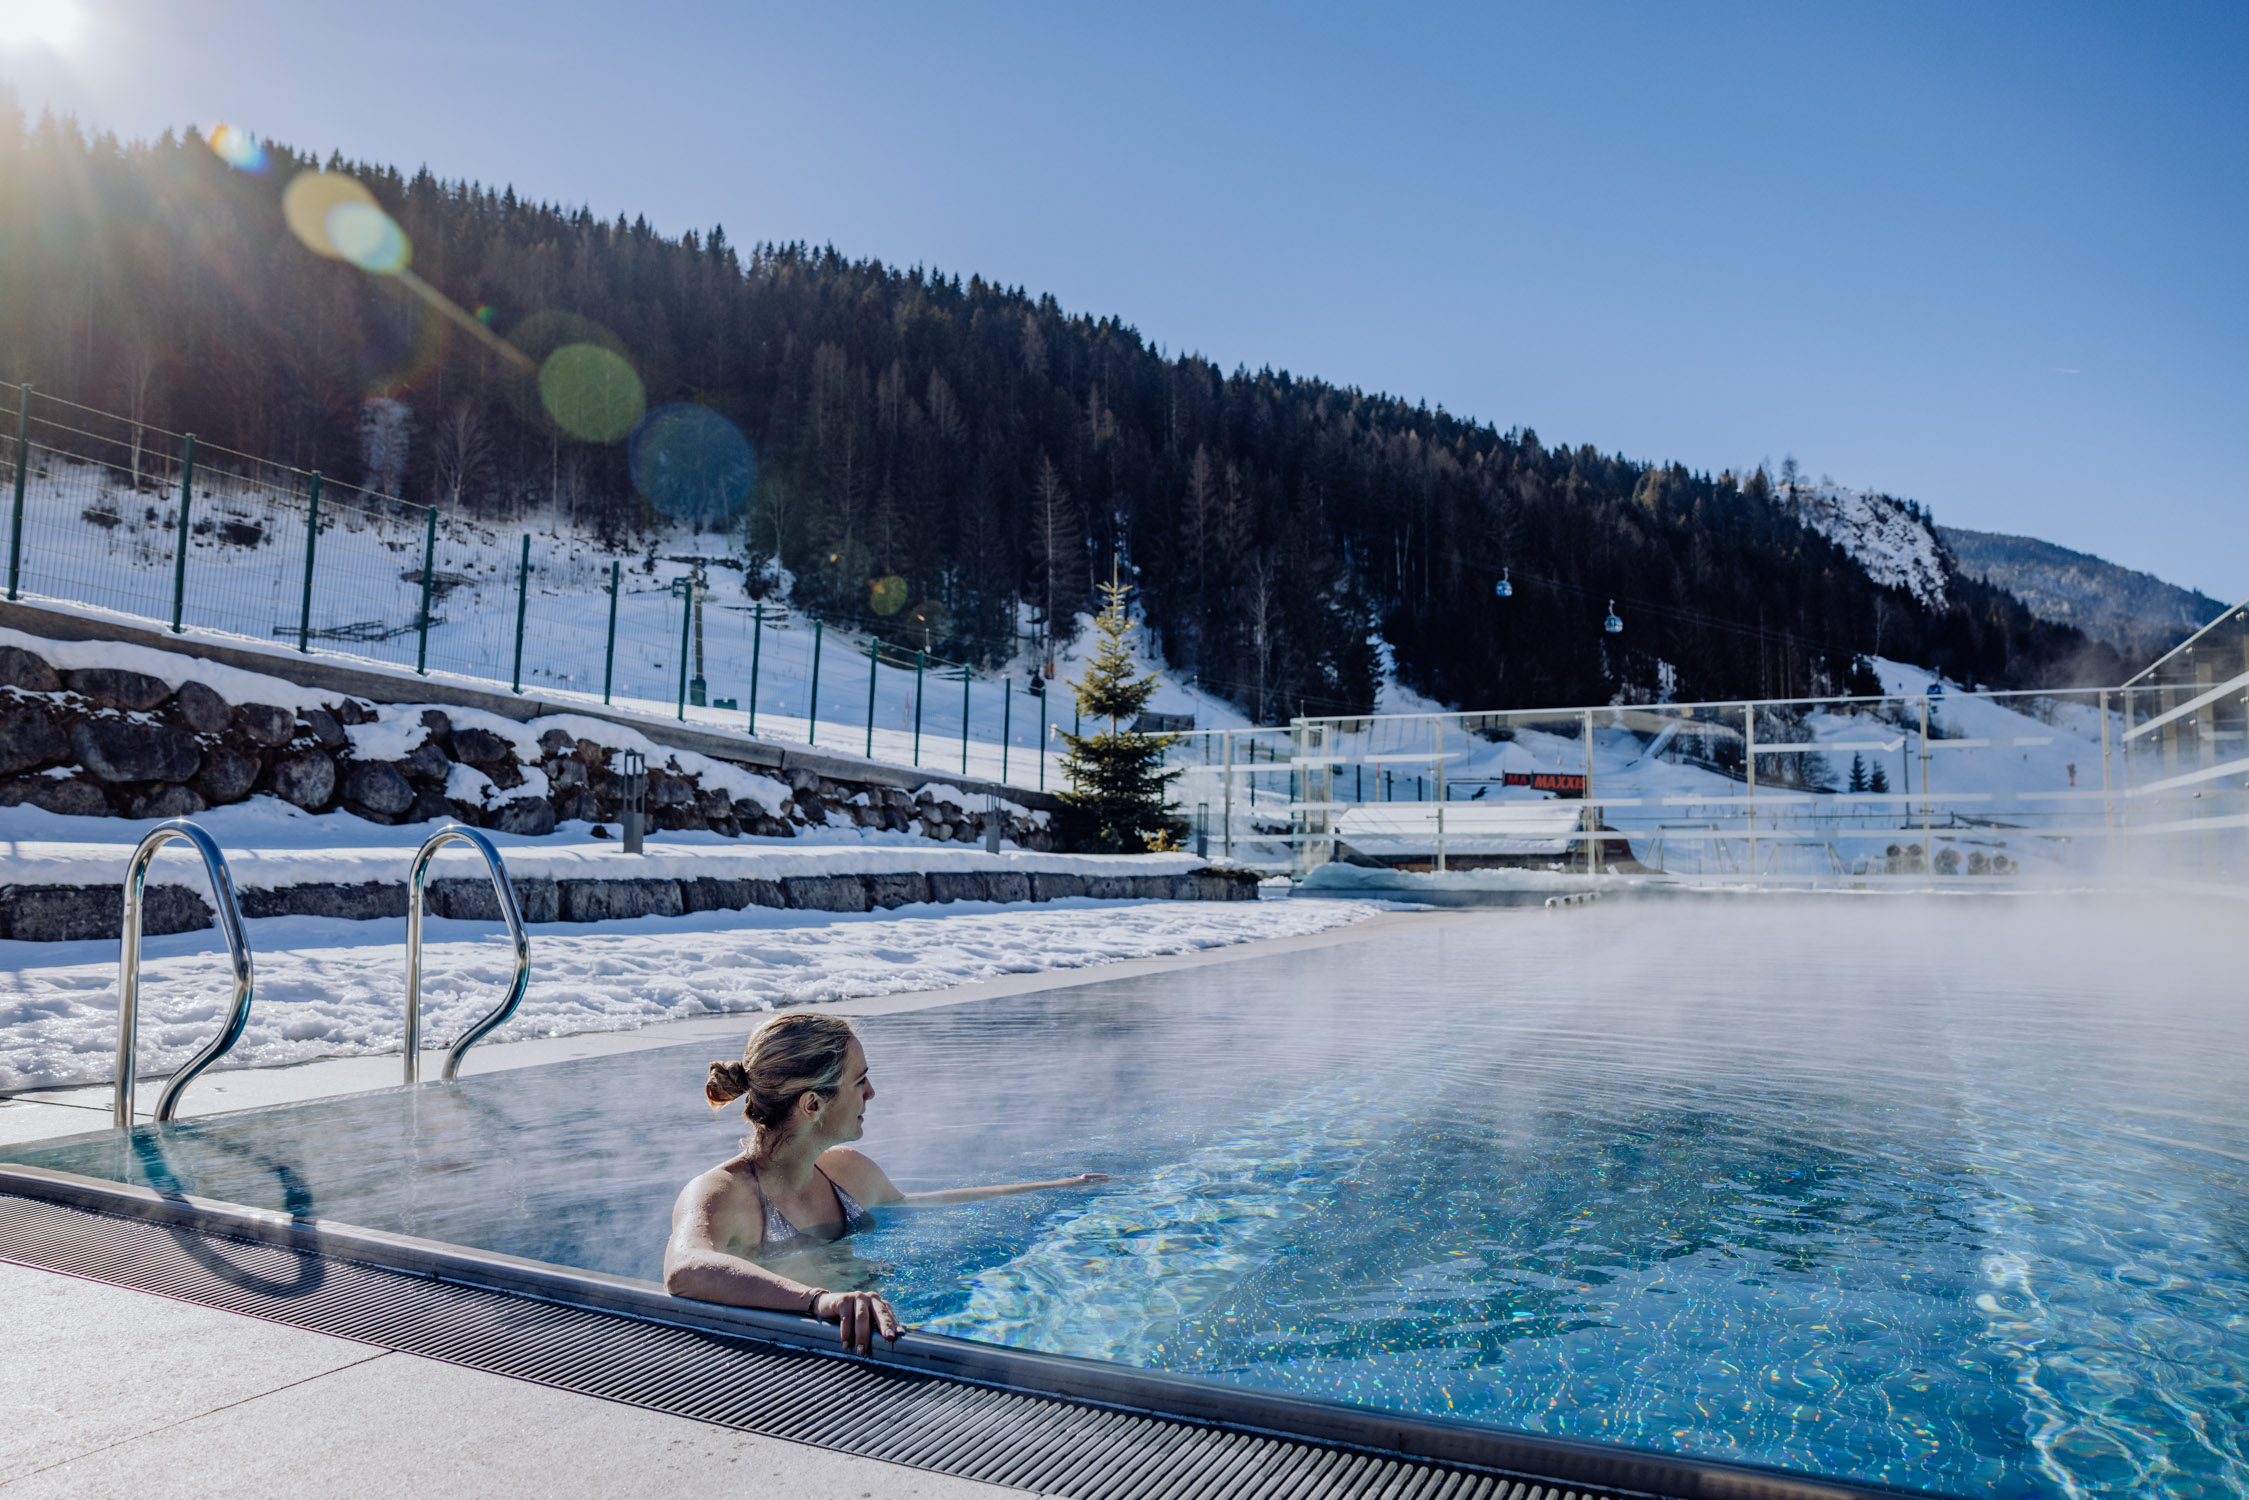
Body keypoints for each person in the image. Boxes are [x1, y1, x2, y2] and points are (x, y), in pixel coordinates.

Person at [664, 1011, 1109, 1353]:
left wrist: (1059, 1187)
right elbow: (685, 1268)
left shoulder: (846, 1172)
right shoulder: (724, 1193)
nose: (871, 1093)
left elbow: (922, 1205)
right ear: (813, 1104)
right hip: (794, 1356)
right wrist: (819, 1301)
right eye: (859, 1081)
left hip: (874, 1334)